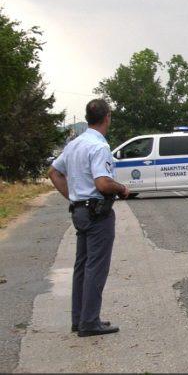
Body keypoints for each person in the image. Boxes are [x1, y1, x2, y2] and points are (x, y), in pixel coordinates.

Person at [48, 99, 128, 337]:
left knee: (81, 266)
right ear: (107, 117)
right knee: (96, 267)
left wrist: (73, 197)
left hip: (80, 211)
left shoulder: (74, 144)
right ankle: (90, 322)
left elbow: (53, 172)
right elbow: (102, 182)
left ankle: (79, 319)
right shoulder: (99, 146)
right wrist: (121, 188)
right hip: (97, 213)